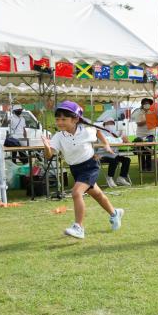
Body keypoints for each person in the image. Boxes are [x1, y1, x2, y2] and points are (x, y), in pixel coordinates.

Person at [41, 101, 124, 239]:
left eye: (64, 119)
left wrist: (106, 144)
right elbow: (49, 155)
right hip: (76, 169)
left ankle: (78, 227)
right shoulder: (58, 136)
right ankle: (115, 213)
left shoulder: (86, 130)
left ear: (75, 119)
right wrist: (47, 146)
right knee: (97, 194)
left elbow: (97, 132)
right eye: (57, 119)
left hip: (90, 166)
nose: (60, 122)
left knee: (76, 193)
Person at [98, 118, 132, 187]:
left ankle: (121, 178)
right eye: (108, 123)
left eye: (112, 123)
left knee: (127, 160)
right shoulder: (101, 133)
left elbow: (118, 141)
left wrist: (126, 140)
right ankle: (109, 178)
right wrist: (121, 139)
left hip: (114, 154)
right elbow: (108, 142)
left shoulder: (115, 133)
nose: (110, 125)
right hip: (103, 155)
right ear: (104, 125)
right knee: (114, 161)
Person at [132, 98, 158, 171]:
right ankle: (142, 167)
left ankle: (149, 166)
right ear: (142, 104)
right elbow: (139, 123)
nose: (147, 105)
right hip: (141, 135)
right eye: (145, 103)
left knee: (148, 149)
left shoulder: (152, 112)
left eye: (148, 103)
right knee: (143, 151)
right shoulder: (139, 112)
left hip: (150, 134)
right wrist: (147, 119)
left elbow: (156, 123)